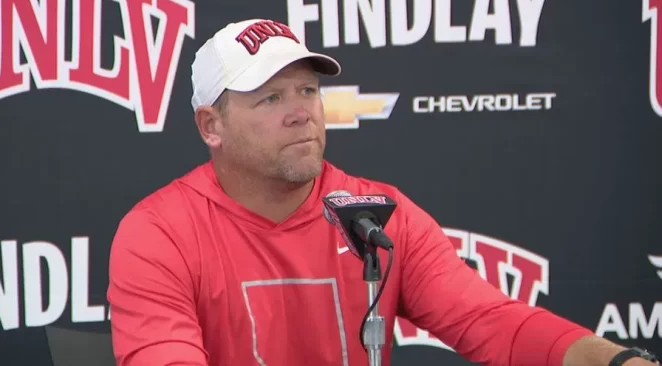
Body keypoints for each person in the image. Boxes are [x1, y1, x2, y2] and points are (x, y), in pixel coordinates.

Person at [106, 18, 659, 366]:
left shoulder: (375, 213)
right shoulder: (159, 234)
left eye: (308, 89)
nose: (301, 112)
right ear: (211, 127)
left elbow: (493, 323)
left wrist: (615, 361)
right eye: (270, 99)